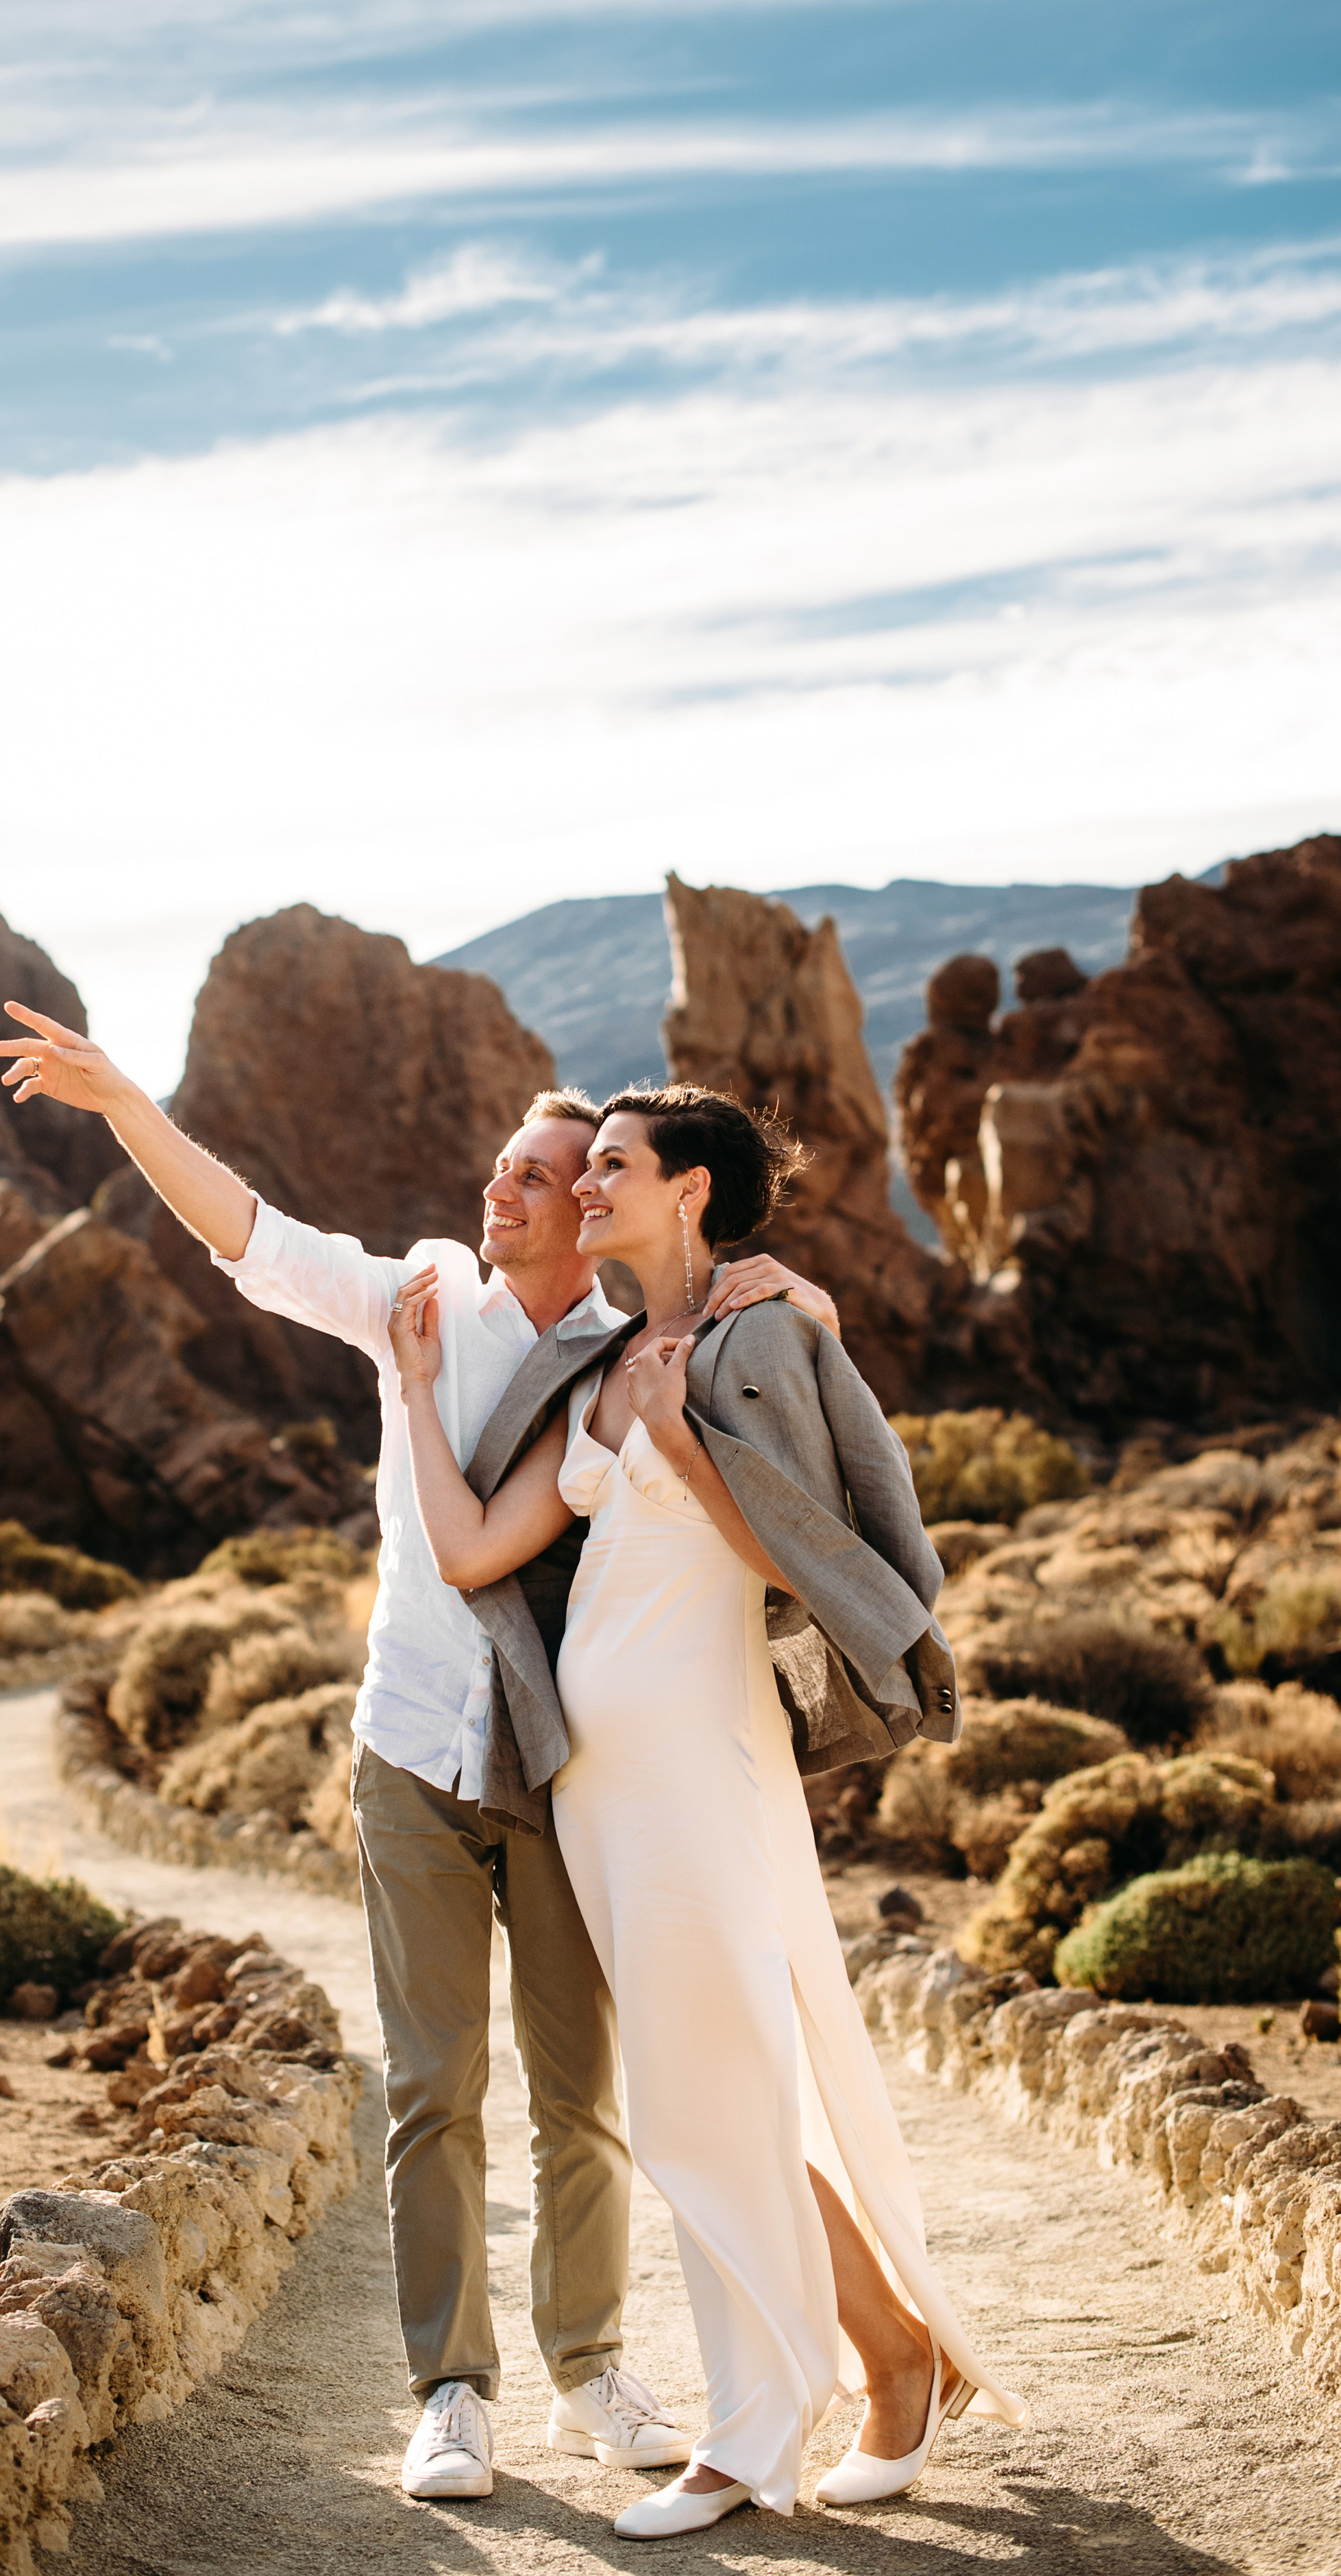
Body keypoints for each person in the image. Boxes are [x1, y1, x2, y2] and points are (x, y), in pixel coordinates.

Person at [0, 1001, 841, 2503]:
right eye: (502, 1166)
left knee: (579, 2089)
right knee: (432, 2086)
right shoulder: (421, 1293)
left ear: (595, 1207)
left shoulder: (631, 1346)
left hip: (559, 1760)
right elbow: (253, 1237)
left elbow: (767, 1384)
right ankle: (452, 2388)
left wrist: (784, 1289)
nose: (500, 1188)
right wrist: (121, 1101)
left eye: (539, 1176)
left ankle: (587, 2369)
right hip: (409, 1752)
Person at [390, 1082, 1028, 2536]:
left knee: (696, 2093)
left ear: (689, 1189)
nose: (585, 1185)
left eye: (611, 1166)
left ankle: (753, 2429)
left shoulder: (758, 1336)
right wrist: (416, 1396)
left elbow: (808, 1552)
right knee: (704, 2088)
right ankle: (888, 2354)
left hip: (697, 1761)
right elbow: (474, 1542)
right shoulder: (601, 1361)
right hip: (600, 1784)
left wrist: (687, 1436)